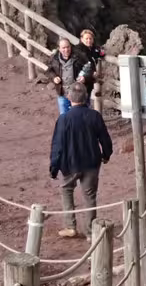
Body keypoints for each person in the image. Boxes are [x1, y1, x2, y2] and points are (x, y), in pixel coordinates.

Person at [48, 79, 112, 239]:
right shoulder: (94, 116)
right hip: (91, 162)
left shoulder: (64, 119)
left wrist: (54, 167)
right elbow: (105, 138)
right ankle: (91, 232)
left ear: (69, 98)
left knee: (67, 190)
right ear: (86, 98)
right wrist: (106, 154)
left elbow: (57, 145)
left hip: (70, 164)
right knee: (90, 196)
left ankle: (70, 226)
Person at [53, 38, 89, 115]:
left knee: (80, 115)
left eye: (68, 47)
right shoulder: (54, 58)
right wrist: (54, 77)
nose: (66, 50)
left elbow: (89, 67)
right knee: (64, 116)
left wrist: (84, 77)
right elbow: (49, 70)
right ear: (59, 49)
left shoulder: (79, 56)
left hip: (77, 94)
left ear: (70, 46)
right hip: (62, 93)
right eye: (63, 48)